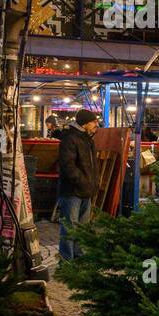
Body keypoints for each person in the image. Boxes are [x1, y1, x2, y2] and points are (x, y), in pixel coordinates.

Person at [56, 108, 99, 260]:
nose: (96, 124)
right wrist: (83, 182)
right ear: (85, 123)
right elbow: (68, 166)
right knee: (69, 227)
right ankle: (67, 259)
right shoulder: (70, 139)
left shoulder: (88, 140)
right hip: (72, 191)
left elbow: (92, 166)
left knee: (82, 228)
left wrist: (92, 184)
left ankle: (79, 257)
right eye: (94, 121)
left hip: (86, 190)